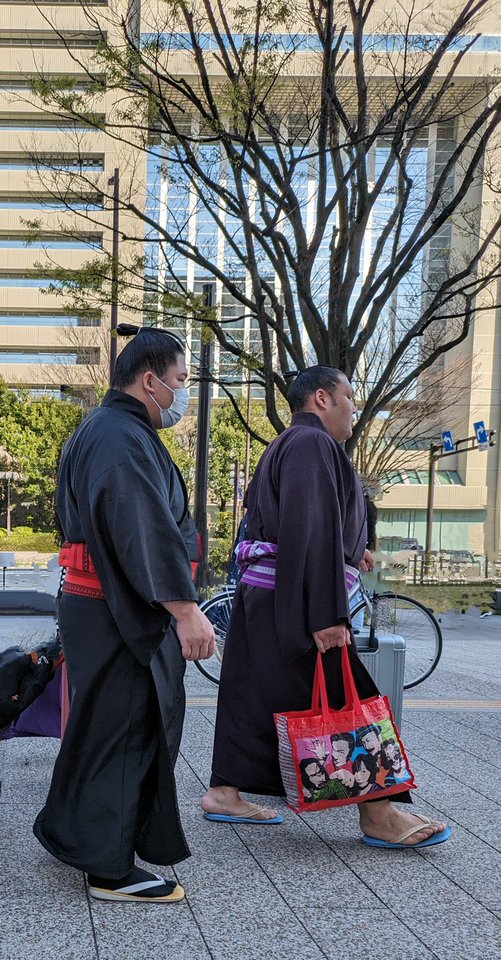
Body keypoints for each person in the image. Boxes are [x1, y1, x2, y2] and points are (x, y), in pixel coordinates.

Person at [203, 365, 451, 849]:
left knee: (253, 690)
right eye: (349, 398)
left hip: (270, 593)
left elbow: (304, 523)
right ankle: (378, 813)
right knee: (346, 692)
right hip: (299, 596)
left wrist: (352, 548)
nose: (354, 409)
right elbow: (306, 529)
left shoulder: (289, 444)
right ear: (321, 398)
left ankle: (224, 792)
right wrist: (325, 615)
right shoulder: (312, 445)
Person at [33, 328, 216, 902]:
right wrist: (186, 610)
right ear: (149, 380)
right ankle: (108, 869)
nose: (182, 394)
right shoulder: (119, 436)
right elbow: (143, 530)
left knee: (104, 725)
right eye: (181, 381)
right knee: (127, 726)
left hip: (100, 601)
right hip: (117, 608)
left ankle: (77, 835)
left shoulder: (106, 429)